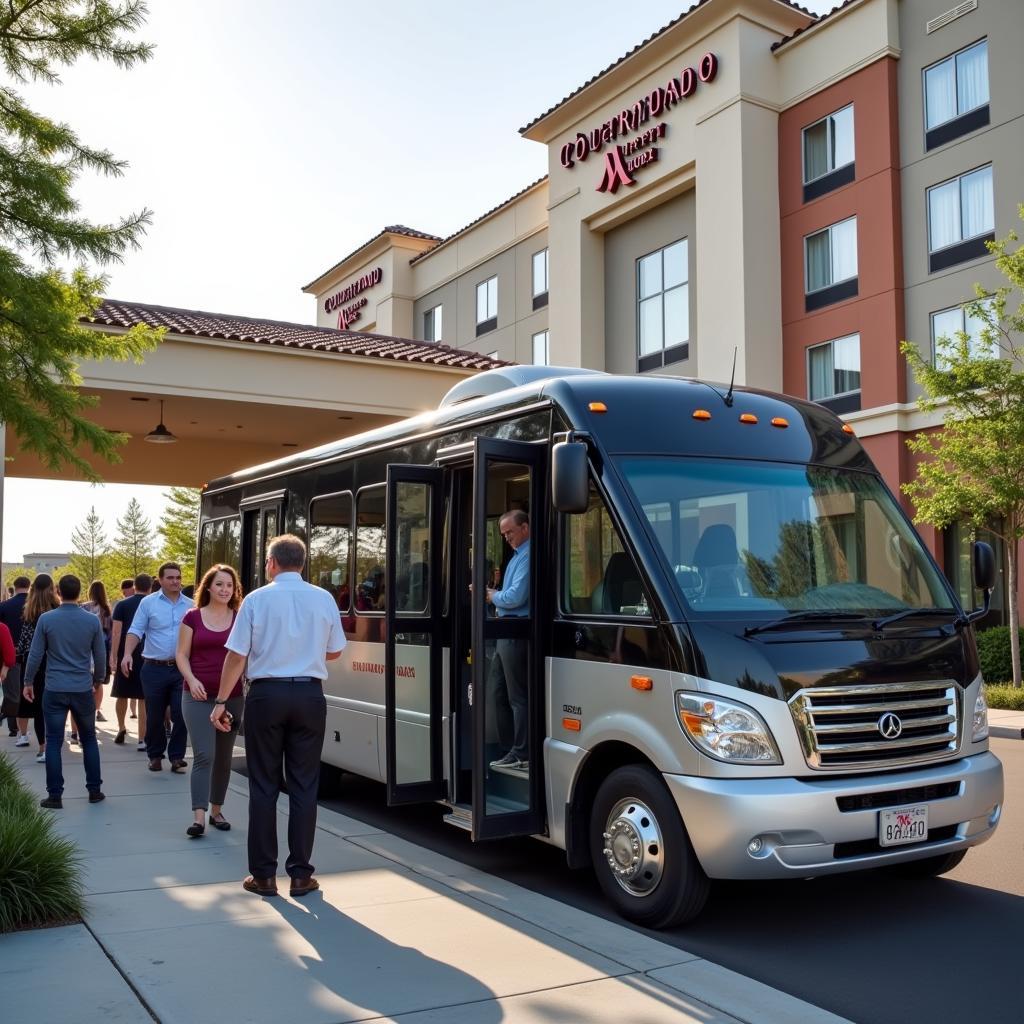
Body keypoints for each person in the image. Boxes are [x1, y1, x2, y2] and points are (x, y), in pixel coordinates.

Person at [210, 534, 345, 898]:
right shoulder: (324, 598)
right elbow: (335, 652)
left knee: (264, 785)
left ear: (271, 563)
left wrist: (222, 700)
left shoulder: (255, 599)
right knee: (304, 785)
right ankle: (301, 875)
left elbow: (237, 655)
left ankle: (264, 876)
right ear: (302, 563)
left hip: (266, 695)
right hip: (309, 694)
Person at [23, 575, 107, 808]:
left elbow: (36, 654)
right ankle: (94, 790)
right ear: (79, 592)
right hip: (81, 687)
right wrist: (98, 680)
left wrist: (28, 681)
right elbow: (99, 655)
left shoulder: (46, 619)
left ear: (58, 591)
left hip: (55, 687)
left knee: (53, 741)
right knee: (89, 739)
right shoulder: (91, 621)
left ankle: (55, 795)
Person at [176, 564, 244, 838]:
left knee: (224, 757)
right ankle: (199, 817)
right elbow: (181, 654)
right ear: (208, 587)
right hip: (197, 696)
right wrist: (192, 680)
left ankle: (217, 811)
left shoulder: (240, 618)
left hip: (232, 697)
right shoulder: (192, 617)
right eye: (219, 584)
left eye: (229, 585)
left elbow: (244, 657)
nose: (225, 589)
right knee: (205, 754)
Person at [122, 563, 193, 772]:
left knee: (181, 713)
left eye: (178, 577)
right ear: (160, 580)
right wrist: (127, 654)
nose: (175, 581)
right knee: (155, 714)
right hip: (154, 668)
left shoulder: (191, 605)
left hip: (181, 668)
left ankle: (177, 757)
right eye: (170, 578)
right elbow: (136, 630)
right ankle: (155, 755)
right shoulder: (148, 603)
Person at [482, 509, 531, 771]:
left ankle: (521, 751)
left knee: (517, 697)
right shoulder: (517, 556)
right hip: (505, 631)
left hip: (515, 631)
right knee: (498, 692)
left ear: (525, 527)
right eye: (503, 534)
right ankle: (510, 749)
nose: (507, 538)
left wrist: (491, 596)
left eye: (510, 532)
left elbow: (515, 598)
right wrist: (495, 593)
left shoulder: (528, 556)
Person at [15, 575, 60, 762]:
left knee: (39, 707)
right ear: (52, 588)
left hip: (33, 663)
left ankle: (43, 748)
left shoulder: (29, 611)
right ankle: (53, 744)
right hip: (55, 661)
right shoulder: (57, 609)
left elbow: (25, 642)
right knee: (55, 705)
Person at [110, 572, 150, 748]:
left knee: (121, 693)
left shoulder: (122, 605)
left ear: (134, 586)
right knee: (143, 697)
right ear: (150, 587)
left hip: (125, 652)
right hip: (146, 653)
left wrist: (114, 655)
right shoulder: (152, 604)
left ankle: (121, 727)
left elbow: (116, 632)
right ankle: (142, 738)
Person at [0, 576, 30, 739]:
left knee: (12, 691)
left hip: (9, 654)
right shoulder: (35, 606)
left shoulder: (4, 606)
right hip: (32, 653)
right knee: (30, 686)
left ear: (15, 586)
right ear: (29, 586)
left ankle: (14, 727)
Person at [81, 580, 113, 724]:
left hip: (85, 646)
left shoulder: (83, 607)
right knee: (98, 681)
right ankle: (97, 710)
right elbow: (109, 630)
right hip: (102, 646)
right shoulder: (106, 609)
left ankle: (86, 709)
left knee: (85, 678)